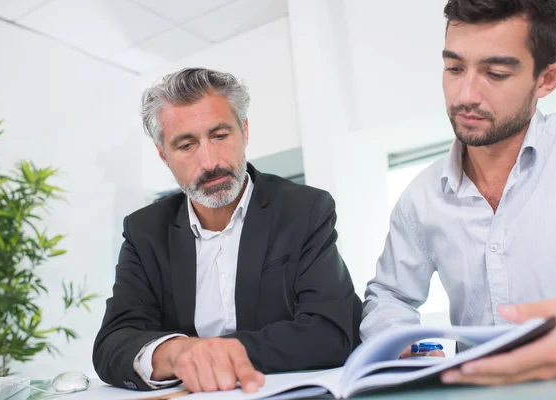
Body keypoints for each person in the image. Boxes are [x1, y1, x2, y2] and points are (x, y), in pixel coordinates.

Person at [361, 0, 556, 386]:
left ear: (546, 79)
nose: (465, 94)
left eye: (496, 73)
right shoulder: (420, 199)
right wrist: (435, 352)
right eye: (454, 68)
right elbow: (388, 300)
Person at [93, 68, 361, 393]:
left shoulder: (304, 210)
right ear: (163, 156)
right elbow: (113, 342)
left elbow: (332, 331)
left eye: (220, 136)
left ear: (244, 131)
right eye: (186, 145)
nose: (209, 162)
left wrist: (217, 354)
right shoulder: (144, 231)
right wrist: (178, 353)